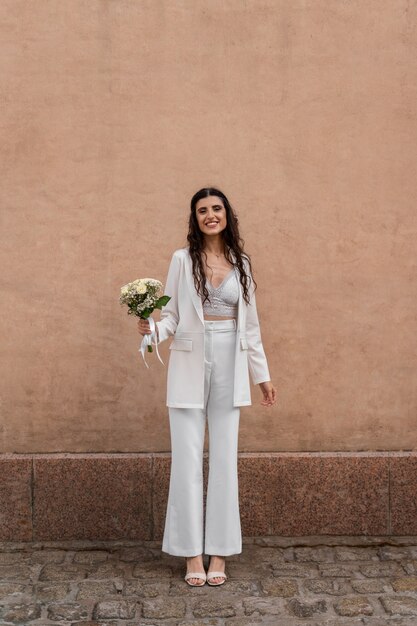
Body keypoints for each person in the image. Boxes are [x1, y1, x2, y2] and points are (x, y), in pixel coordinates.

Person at [138, 187, 277, 587]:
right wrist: (151, 330)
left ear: (226, 215)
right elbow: (173, 317)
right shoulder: (182, 260)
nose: (210, 215)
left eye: (216, 208)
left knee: (224, 460)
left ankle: (220, 552)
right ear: (195, 218)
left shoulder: (243, 264)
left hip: (230, 361)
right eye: (202, 210)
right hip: (187, 363)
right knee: (186, 460)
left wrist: (262, 376)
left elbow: (251, 327)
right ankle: (191, 555)